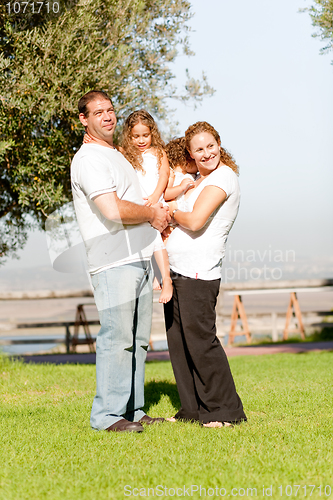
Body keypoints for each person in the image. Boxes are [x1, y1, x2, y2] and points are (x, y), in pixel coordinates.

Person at [71, 90, 170, 433]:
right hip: (113, 261)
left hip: (139, 258)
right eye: (98, 112)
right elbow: (112, 210)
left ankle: (134, 409)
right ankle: (107, 417)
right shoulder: (88, 159)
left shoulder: (116, 156)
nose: (108, 116)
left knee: (139, 340)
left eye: (111, 110)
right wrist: (152, 214)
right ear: (84, 119)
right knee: (117, 338)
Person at [164, 121, 247, 427]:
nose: (206, 152)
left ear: (219, 143)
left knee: (201, 342)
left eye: (210, 145)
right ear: (190, 153)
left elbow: (196, 221)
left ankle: (225, 411)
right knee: (179, 343)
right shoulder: (197, 179)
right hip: (175, 271)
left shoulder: (223, 177)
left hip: (199, 271)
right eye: (199, 149)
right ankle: (192, 410)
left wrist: (171, 212)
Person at [120, 109, 173, 303]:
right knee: (147, 238)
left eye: (145, 135)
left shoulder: (158, 152)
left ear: (152, 133)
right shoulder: (126, 153)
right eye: (136, 136)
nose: (141, 140)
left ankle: (166, 279)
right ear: (129, 136)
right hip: (139, 203)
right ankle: (158, 276)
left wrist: (156, 196)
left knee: (154, 237)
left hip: (154, 200)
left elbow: (164, 175)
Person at [164, 137, 198, 201]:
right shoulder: (171, 174)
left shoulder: (193, 175)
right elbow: (165, 194)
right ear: (187, 161)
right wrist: (180, 187)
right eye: (195, 161)